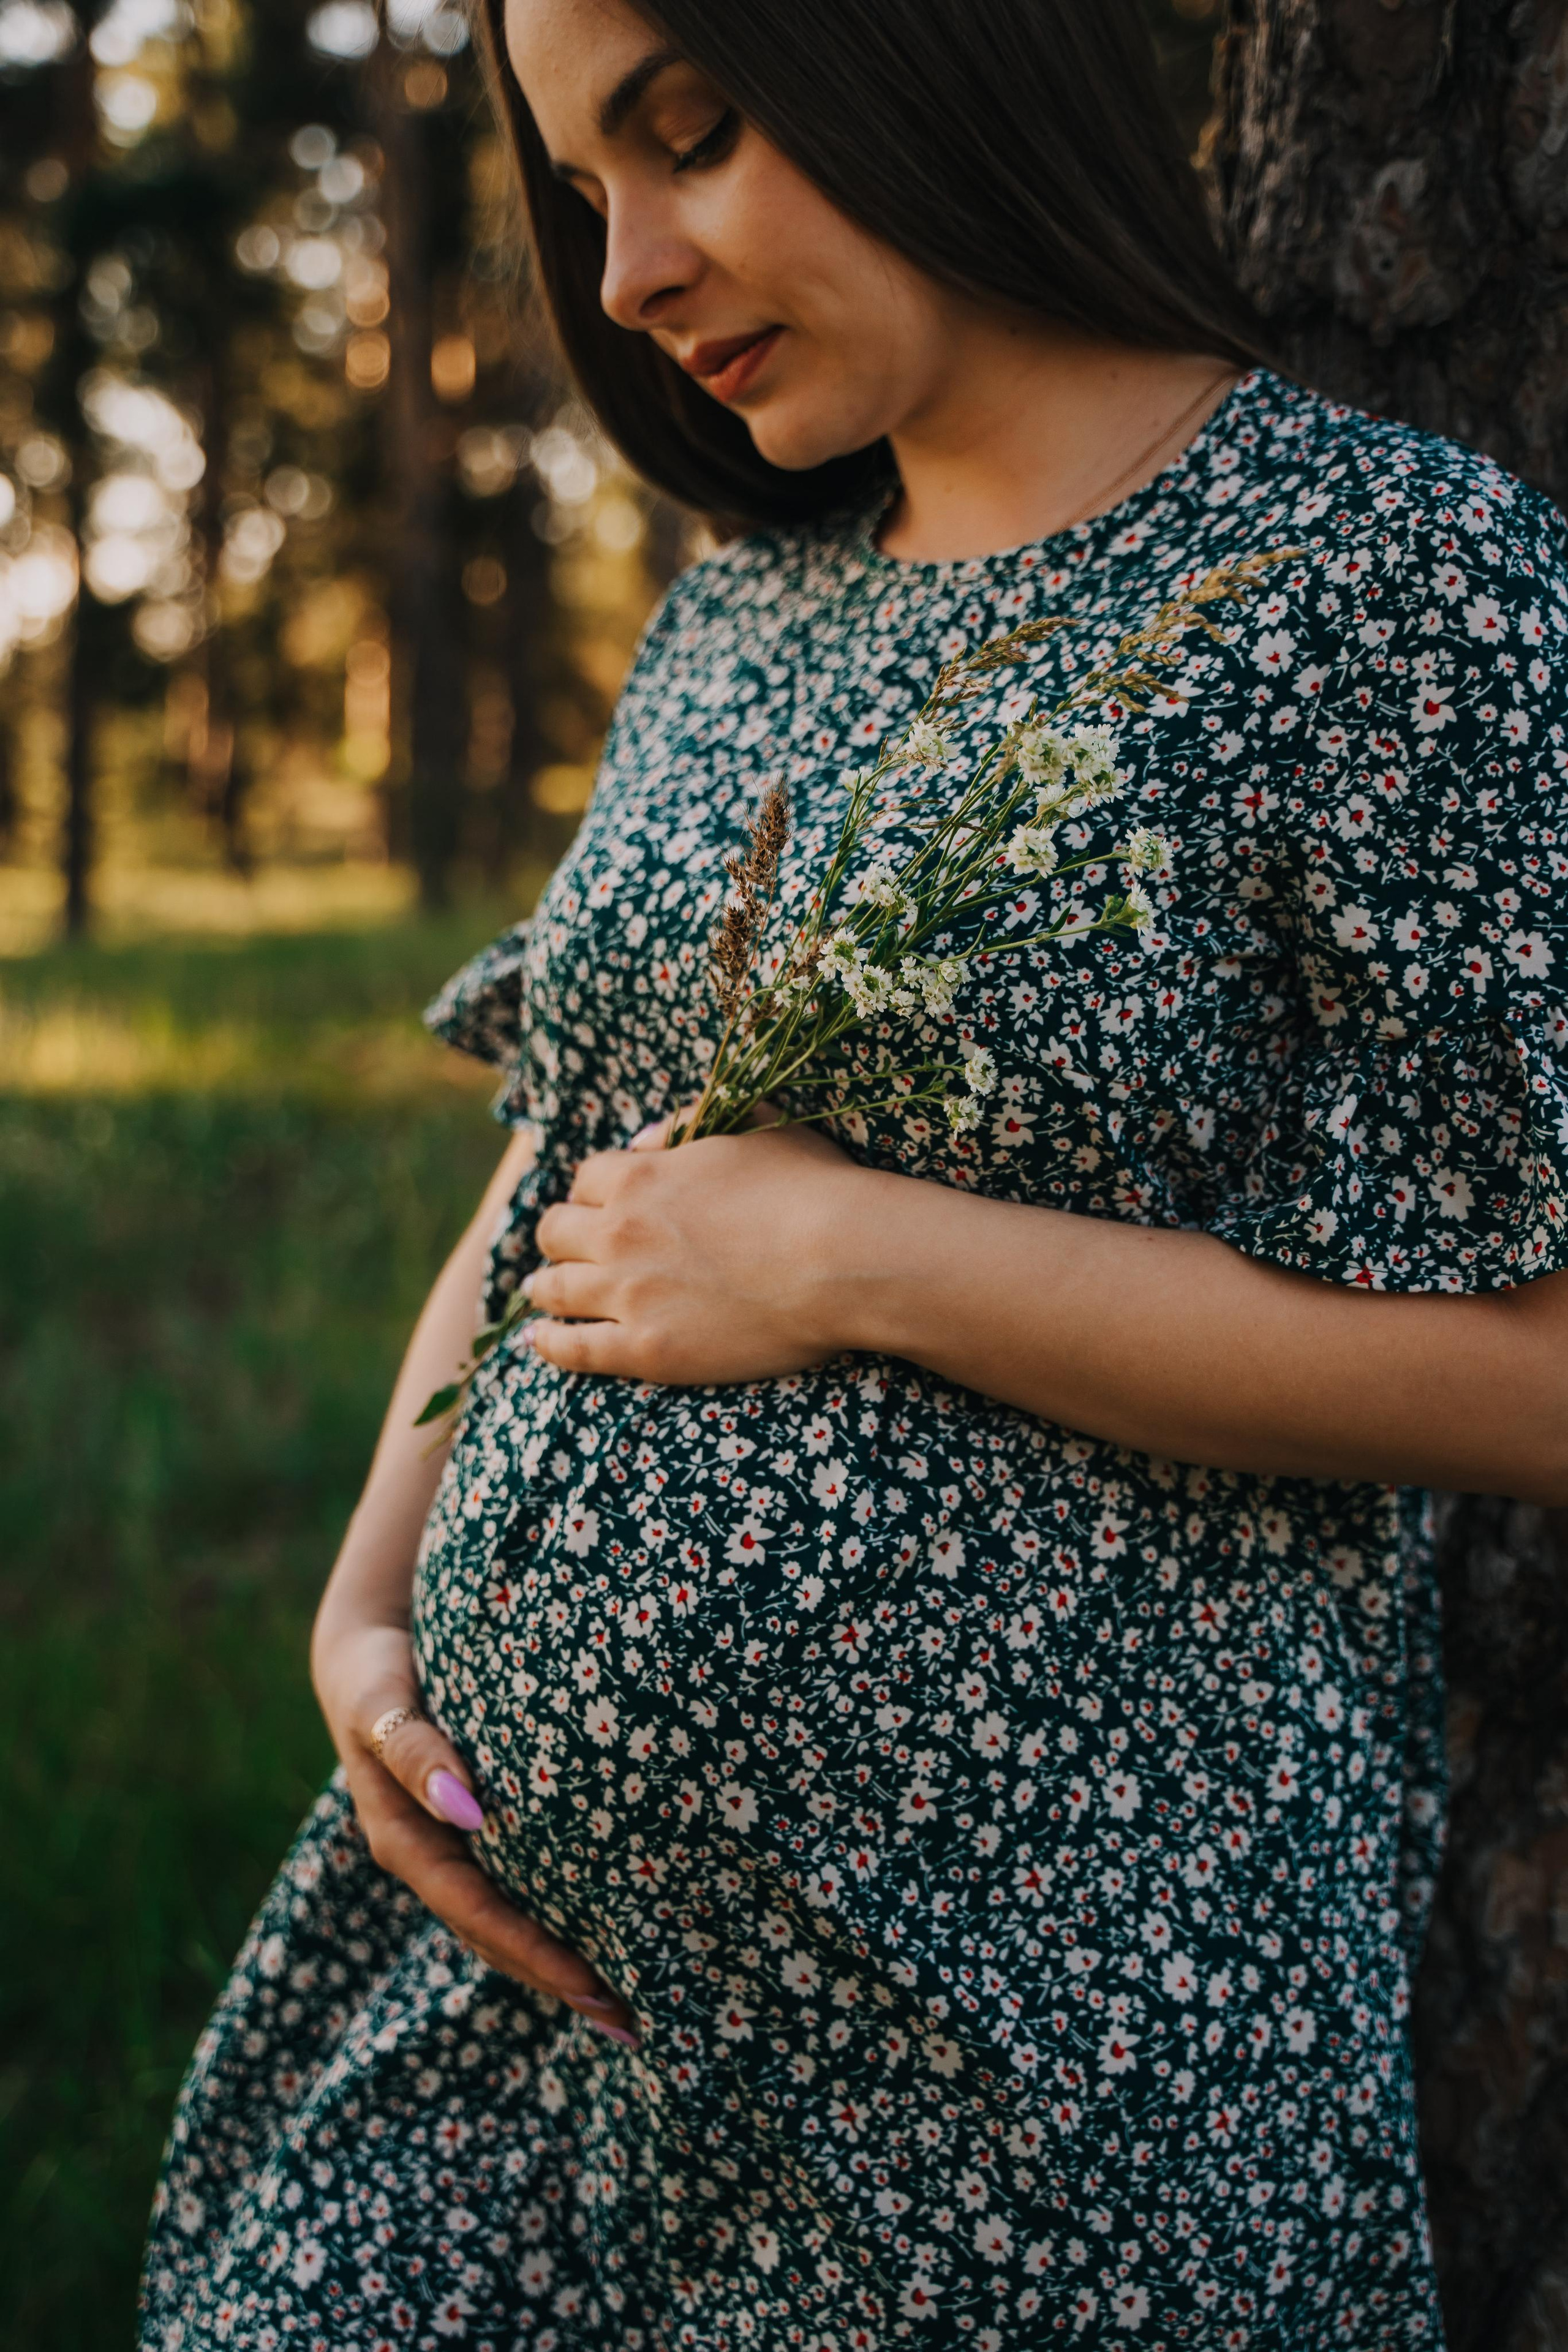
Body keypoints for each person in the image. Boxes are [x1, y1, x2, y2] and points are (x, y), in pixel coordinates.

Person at [140, 0, 1568, 2344]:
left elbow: (1543, 1374)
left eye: (690, 138)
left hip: (1049, 2095)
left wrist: (869, 1259)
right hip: (532, 2028)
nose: (627, 275)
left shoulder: (1388, 586)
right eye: (586, 189)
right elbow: (565, 1156)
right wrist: (362, 1608)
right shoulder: (738, 610)